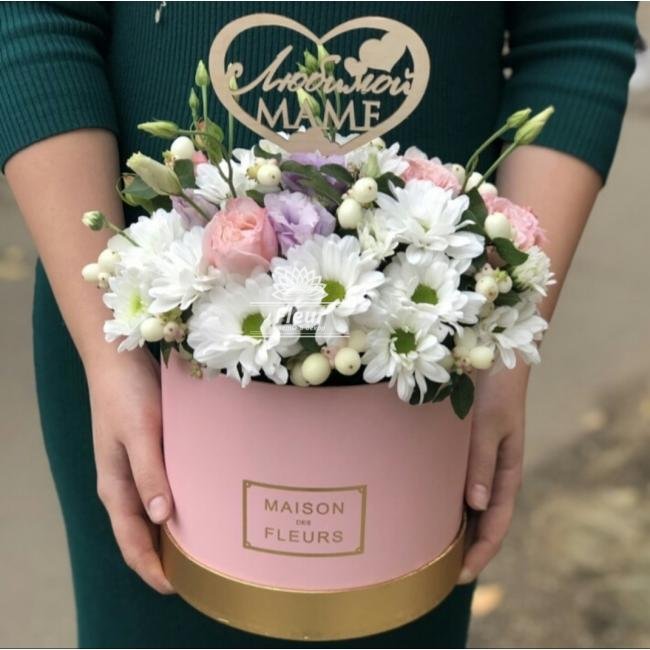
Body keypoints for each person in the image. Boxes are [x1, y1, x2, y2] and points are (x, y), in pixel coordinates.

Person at [0, 2, 638, 648]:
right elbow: (35, 14)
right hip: (137, 349)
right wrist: (109, 356)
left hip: (434, 371)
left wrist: (502, 342)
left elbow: (573, 33)